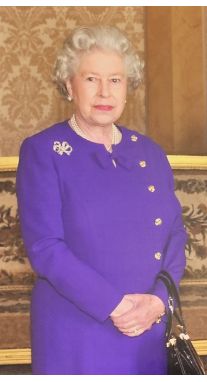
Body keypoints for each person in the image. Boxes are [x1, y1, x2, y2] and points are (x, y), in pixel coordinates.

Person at [16, 26, 187, 374]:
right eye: (91, 78)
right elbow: (46, 247)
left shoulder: (150, 152)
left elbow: (175, 234)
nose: (104, 91)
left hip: (147, 325)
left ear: (128, 88)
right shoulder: (43, 151)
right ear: (69, 85)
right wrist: (114, 305)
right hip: (77, 329)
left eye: (116, 80)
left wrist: (158, 300)